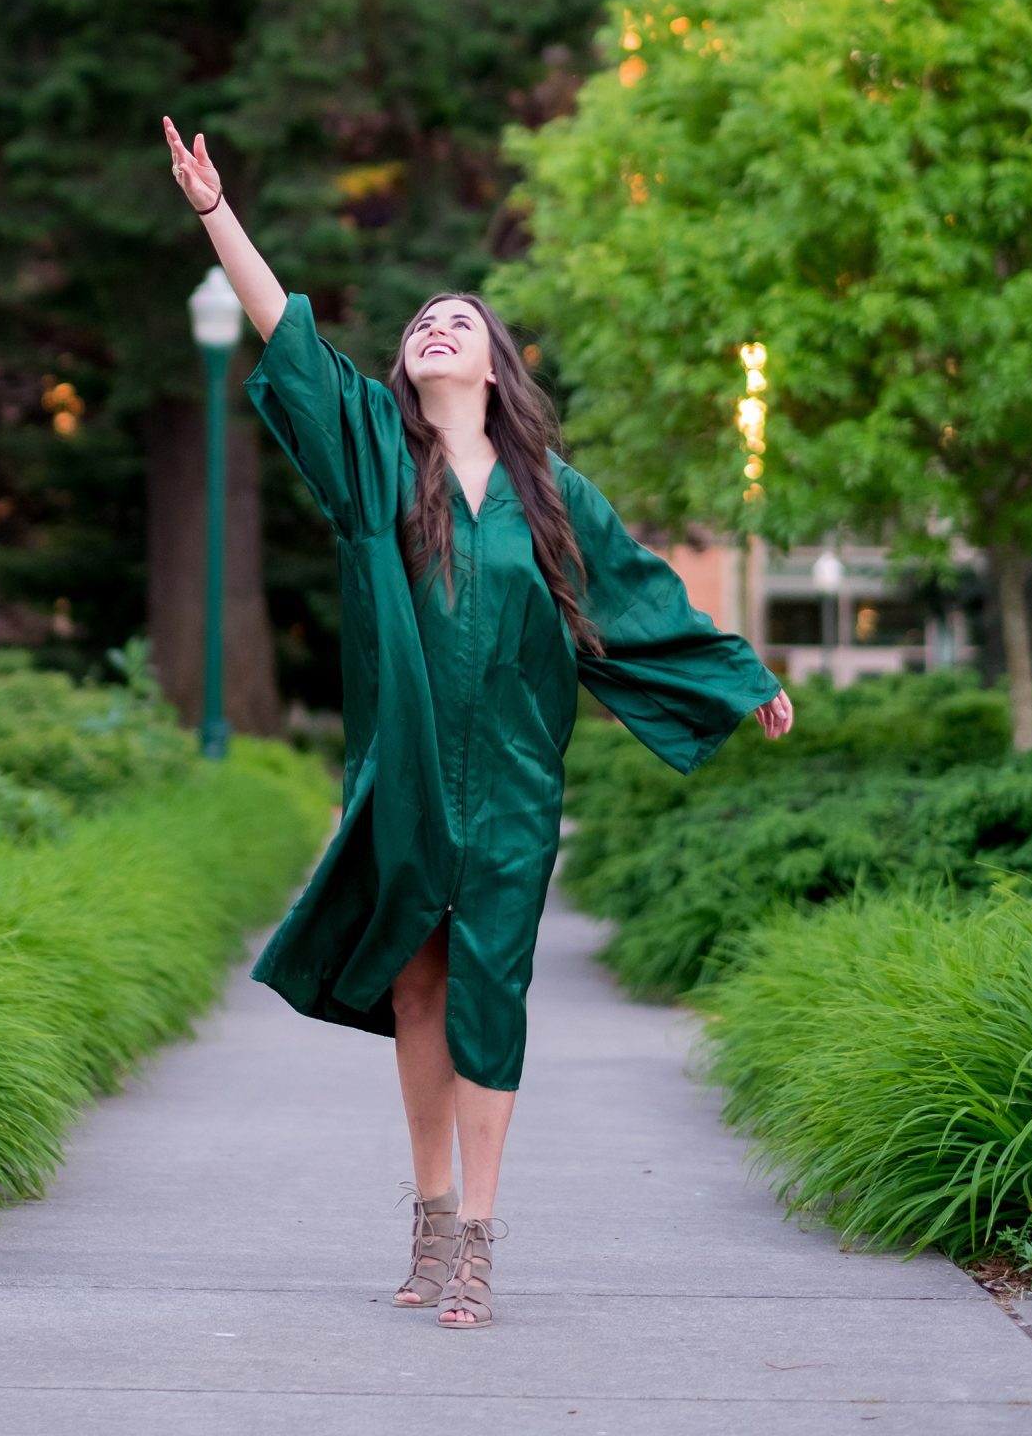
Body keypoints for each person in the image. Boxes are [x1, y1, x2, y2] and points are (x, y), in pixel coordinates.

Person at [162, 116, 793, 1330]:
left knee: (488, 992)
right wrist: (214, 210)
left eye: (461, 321)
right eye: (420, 324)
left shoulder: (558, 499)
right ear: (407, 372)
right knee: (416, 990)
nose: (436, 326)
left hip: (507, 782)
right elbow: (287, 330)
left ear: (494, 366)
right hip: (403, 774)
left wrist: (737, 675)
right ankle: (431, 1215)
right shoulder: (373, 461)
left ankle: (483, 1241)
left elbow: (640, 602)